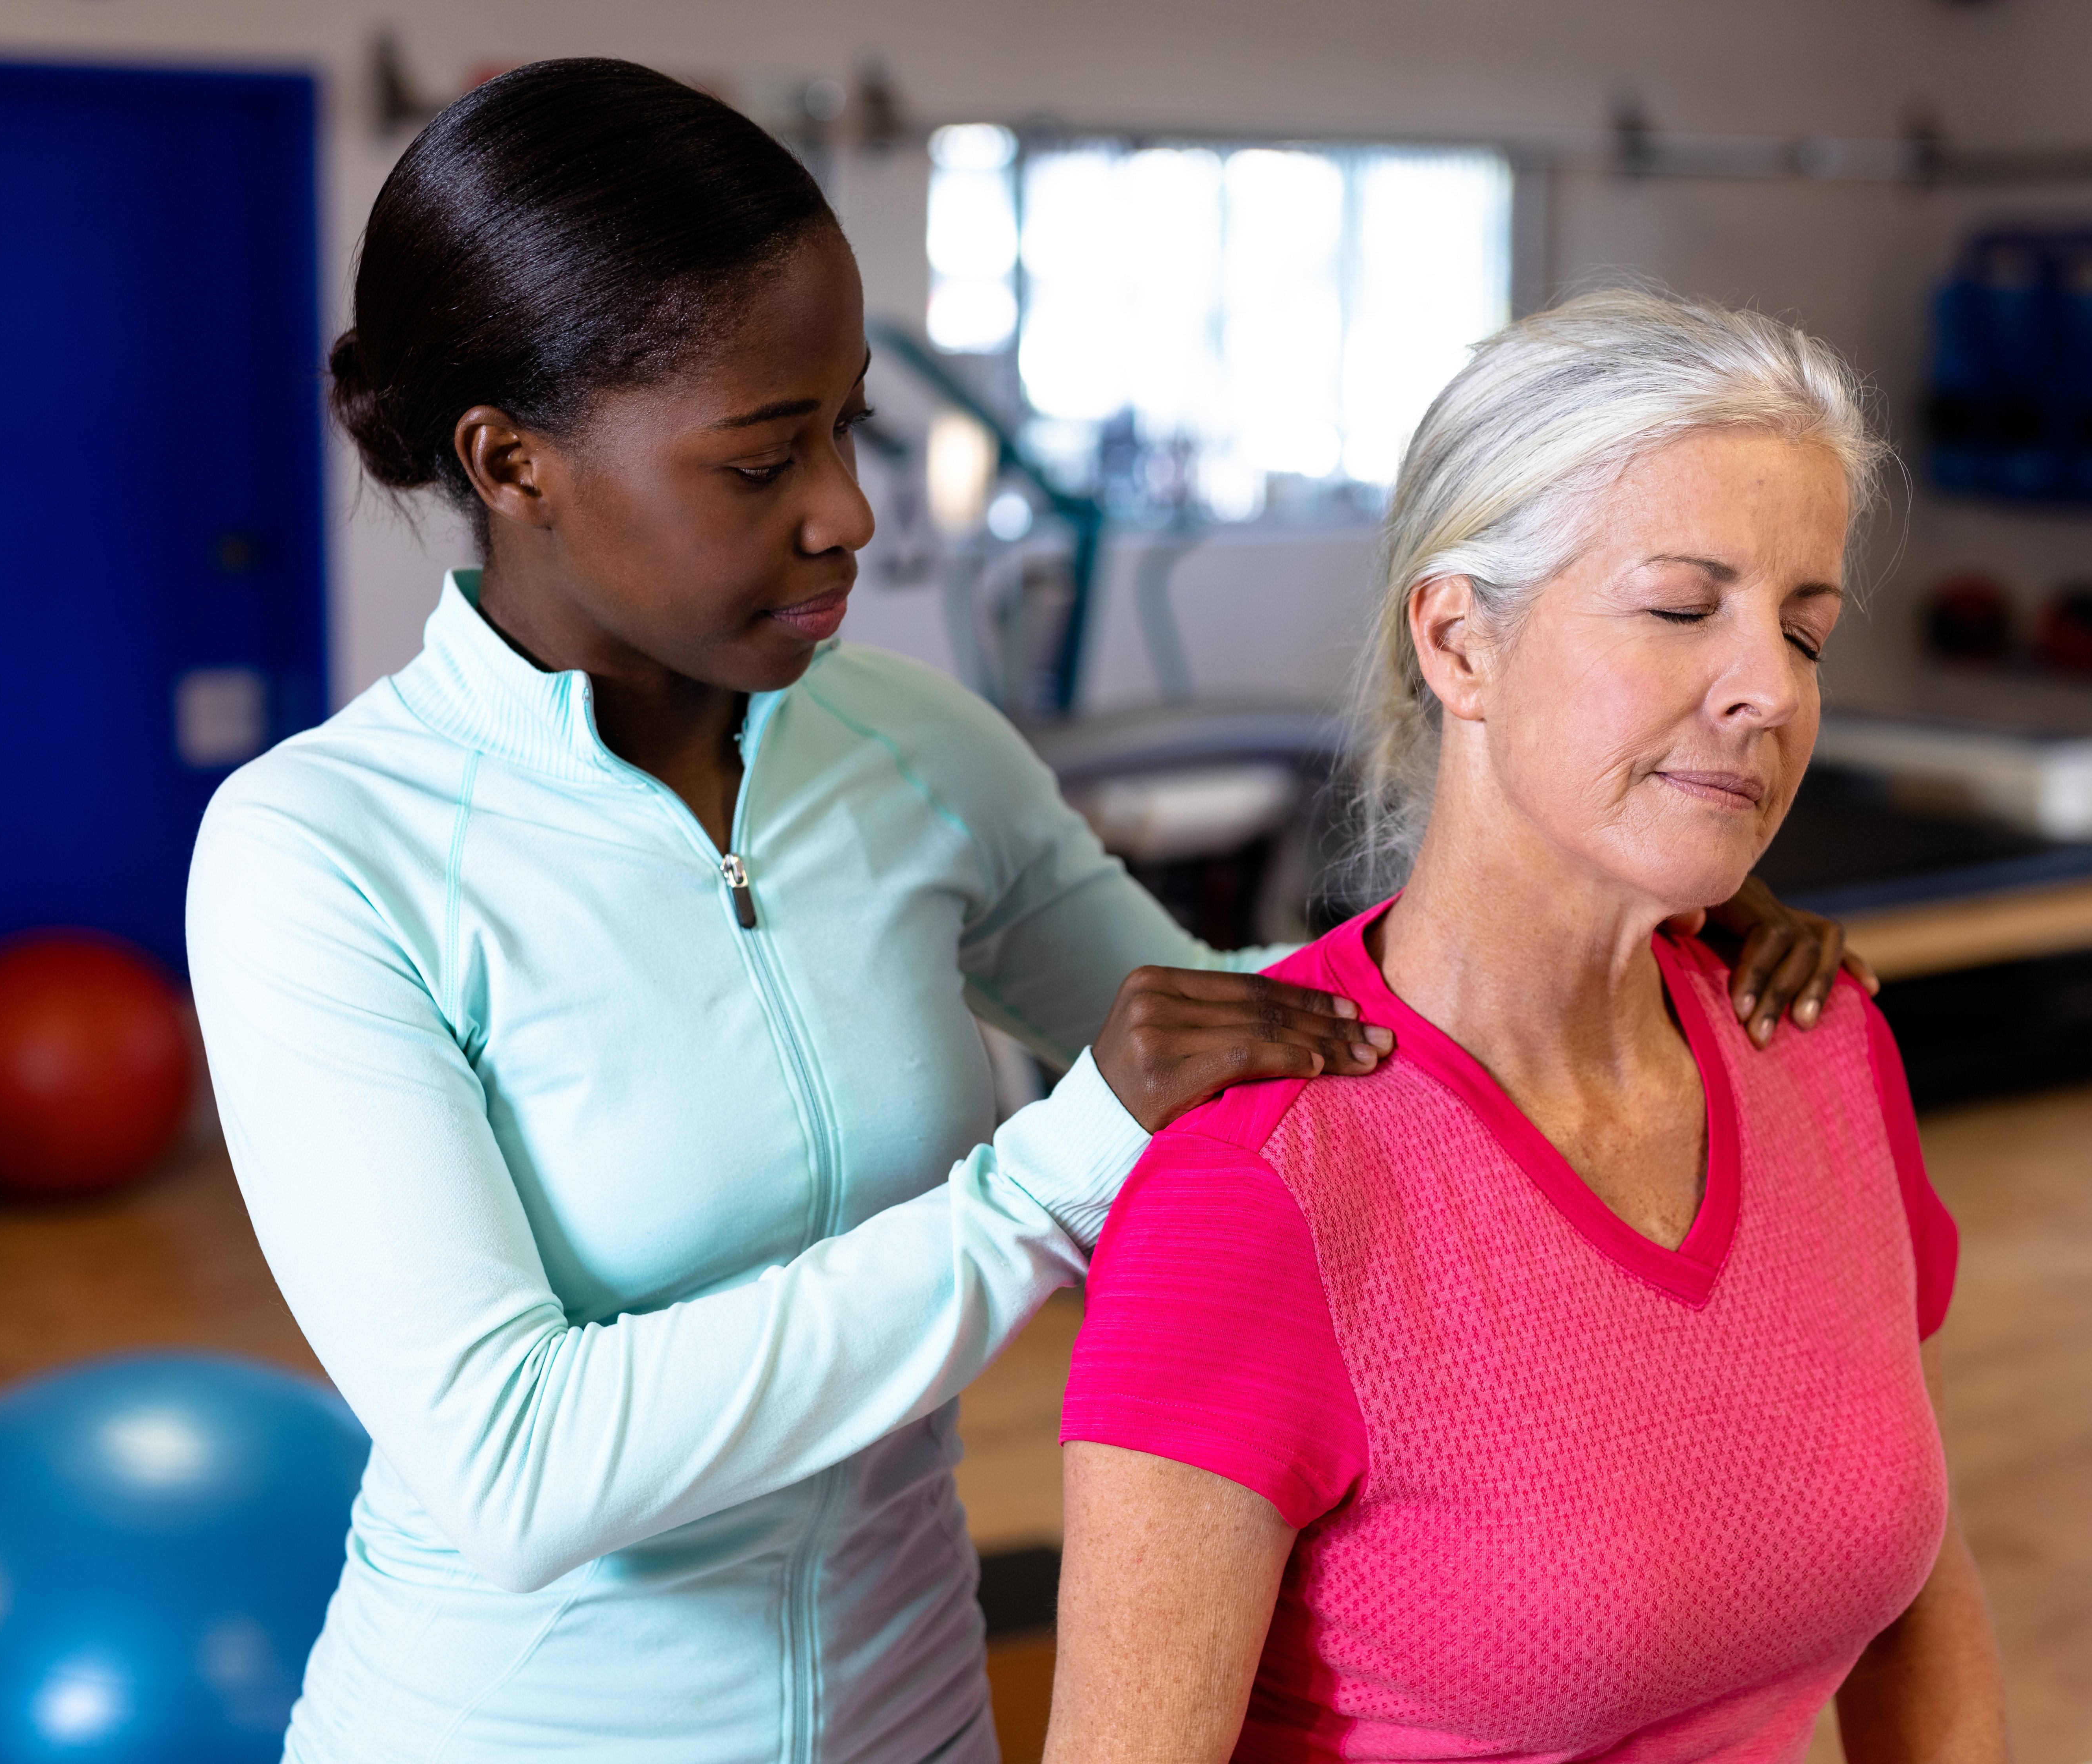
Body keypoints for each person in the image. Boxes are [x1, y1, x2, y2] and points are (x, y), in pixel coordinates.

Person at [187, 63, 1868, 1764]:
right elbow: (516, 1461)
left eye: (848, 427)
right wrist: (1043, 1181)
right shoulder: (325, 857)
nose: (848, 511)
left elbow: (1270, 1024)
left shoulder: (911, 750)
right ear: (514, 462)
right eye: (765, 458)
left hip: (916, 1719)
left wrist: (1629, 905)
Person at [1049, 291, 2010, 1764]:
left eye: (1805, 631)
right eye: (1684, 608)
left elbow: (1917, 1584)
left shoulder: (1818, 1041)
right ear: (1460, 642)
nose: (1770, 689)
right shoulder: (1260, 1188)